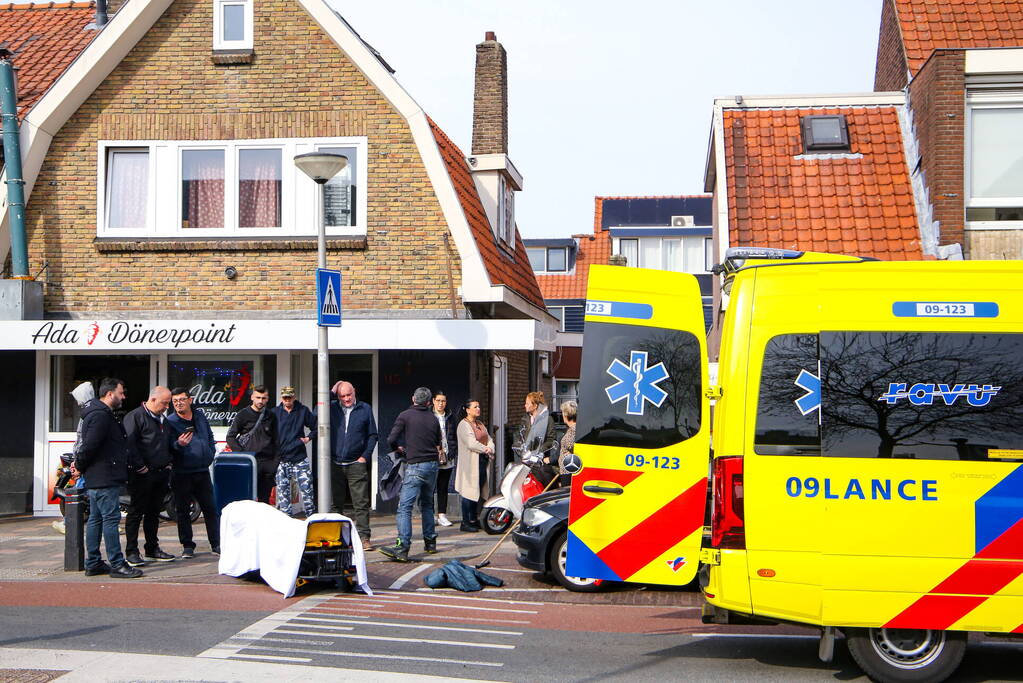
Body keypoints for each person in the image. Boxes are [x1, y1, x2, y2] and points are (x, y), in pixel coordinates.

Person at [74, 377, 143, 578]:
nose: (124, 397)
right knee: (110, 520)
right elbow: (89, 446)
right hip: (105, 476)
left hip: (99, 476)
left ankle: (93, 562)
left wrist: (81, 466)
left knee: (96, 519)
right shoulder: (101, 416)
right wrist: (79, 465)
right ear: (110, 393)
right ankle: (117, 563)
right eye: (121, 393)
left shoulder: (99, 414)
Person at [380, 387, 443, 562]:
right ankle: (430, 543)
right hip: (432, 465)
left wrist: (397, 449)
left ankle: (402, 546)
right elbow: (439, 442)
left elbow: (391, 439)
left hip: (415, 465)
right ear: (429, 402)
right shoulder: (433, 418)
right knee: (427, 504)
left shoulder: (405, 415)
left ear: (413, 398)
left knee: (405, 507)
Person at [122, 386, 177, 567]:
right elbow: (129, 444)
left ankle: (152, 548)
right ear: (152, 400)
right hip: (142, 474)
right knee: (136, 512)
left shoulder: (163, 420)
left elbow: (167, 443)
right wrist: (140, 467)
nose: (167, 407)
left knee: (154, 512)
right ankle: (131, 551)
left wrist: (169, 462)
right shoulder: (135, 417)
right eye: (164, 403)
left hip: (161, 472)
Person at [166, 387, 220, 559]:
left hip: (202, 471)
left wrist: (210, 453)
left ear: (190, 400)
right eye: (175, 401)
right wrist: (178, 445)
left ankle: (216, 543)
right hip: (181, 472)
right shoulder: (170, 421)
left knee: (210, 508)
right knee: (182, 511)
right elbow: (168, 446)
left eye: (182, 400)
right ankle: (187, 546)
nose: (178, 404)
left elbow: (209, 436)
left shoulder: (200, 416)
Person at [326, 381, 377, 550]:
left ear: (354, 392)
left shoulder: (365, 409)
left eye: (349, 395)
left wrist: (365, 456)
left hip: (356, 462)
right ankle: (336, 538)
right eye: (342, 396)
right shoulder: (331, 407)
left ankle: (364, 538)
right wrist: (331, 394)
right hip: (335, 462)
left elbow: (372, 435)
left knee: (360, 503)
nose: (346, 399)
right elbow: (316, 412)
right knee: (335, 503)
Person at [226, 385, 278, 504]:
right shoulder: (242, 415)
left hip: (267, 464)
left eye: (263, 398)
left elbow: (276, 441)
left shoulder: (271, 416)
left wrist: (275, 463)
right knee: (247, 499)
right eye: (258, 397)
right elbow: (230, 437)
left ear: (268, 398)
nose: (260, 401)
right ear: (252, 398)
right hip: (249, 462)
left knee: (264, 501)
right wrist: (243, 456)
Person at [273, 386, 316, 518]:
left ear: (294, 397)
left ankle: (312, 522)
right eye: (285, 397)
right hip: (281, 459)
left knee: (307, 494)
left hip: (299, 458)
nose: (287, 400)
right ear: (281, 398)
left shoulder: (303, 410)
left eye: (289, 397)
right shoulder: (274, 412)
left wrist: (308, 438)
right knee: (283, 497)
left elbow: (316, 426)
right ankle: (287, 526)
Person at [454, 399, 494, 532]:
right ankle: (465, 522)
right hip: (470, 464)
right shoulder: (463, 425)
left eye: (479, 406)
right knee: (468, 492)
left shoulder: (480, 424)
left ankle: (473, 519)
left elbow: (489, 438)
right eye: (475, 406)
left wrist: (490, 447)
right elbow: (471, 443)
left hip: (481, 462)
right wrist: (486, 449)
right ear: (467, 409)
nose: (478, 409)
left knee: (477, 491)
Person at [515, 391, 557, 487]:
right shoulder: (525, 419)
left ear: (535, 406)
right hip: (525, 460)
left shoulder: (548, 419)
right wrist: (518, 447)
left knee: (540, 486)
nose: (524, 405)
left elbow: (551, 439)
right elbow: (519, 436)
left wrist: (539, 451)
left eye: (527, 403)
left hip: (540, 462)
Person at [432, 391, 458, 527]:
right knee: (430, 487)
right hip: (432, 456)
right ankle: (430, 515)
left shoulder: (450, 416)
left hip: (448, 455)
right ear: (433, 401)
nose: (441, 403)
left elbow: (454, 435)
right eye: (438, 401)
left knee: (443, 486)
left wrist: (453, 450)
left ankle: (442, 514)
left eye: (443, 401)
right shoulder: (429, 415)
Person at [558, 399, 578, 488]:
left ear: (566, 415)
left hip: (568, 470)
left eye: (562, 413)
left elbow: (571, 447)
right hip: (566, 469)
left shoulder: (574, 430)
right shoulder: (572, 429)